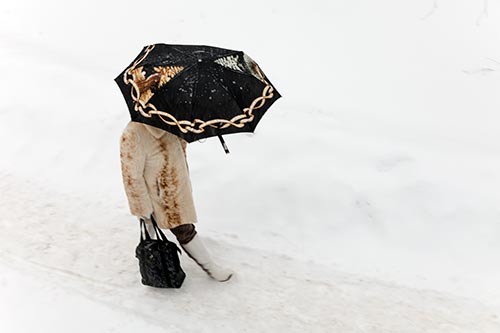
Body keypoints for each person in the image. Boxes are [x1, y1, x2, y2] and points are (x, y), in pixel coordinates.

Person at [119, 121, 232, 282]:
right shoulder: (133, 133)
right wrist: (142, 207)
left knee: (151, 229)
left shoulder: (170, 122)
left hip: (177, 189)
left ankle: (149, 257)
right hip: (161, 197)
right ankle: (212, 269)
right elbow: (131, 177)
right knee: (184, 230)